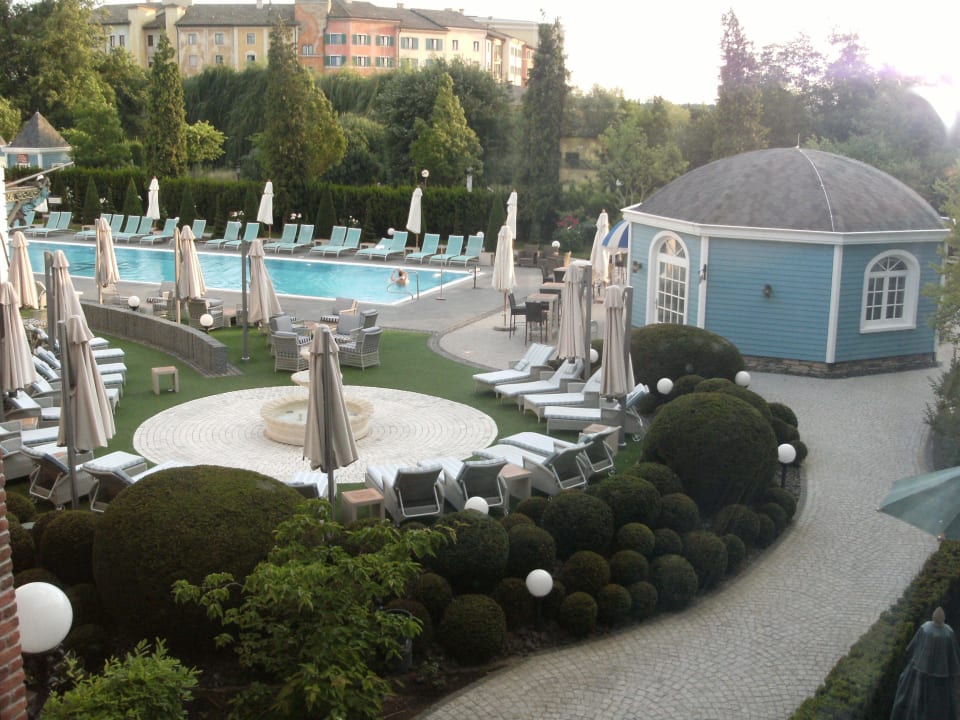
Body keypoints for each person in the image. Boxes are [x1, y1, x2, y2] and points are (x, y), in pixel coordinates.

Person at [890, 606, 960, 719]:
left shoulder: (928, 629)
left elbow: (914, 648)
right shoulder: (947, 633)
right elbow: (952, 656)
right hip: (937, 679)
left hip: (921, 674)